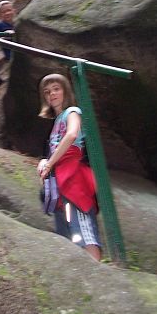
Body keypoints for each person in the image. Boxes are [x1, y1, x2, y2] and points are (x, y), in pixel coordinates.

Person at [37, 73, 101, 262]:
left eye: (56, 89)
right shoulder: (57, 121)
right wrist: (45, 162)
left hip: (74, 176)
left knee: (84, 229)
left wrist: (50, 162)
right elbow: (54, 148)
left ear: (65, 91)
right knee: (67, 230)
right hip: (60, 177)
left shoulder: (72, 112)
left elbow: (72, 134)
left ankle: (97, 271)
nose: (52, 94)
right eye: (47, 92)